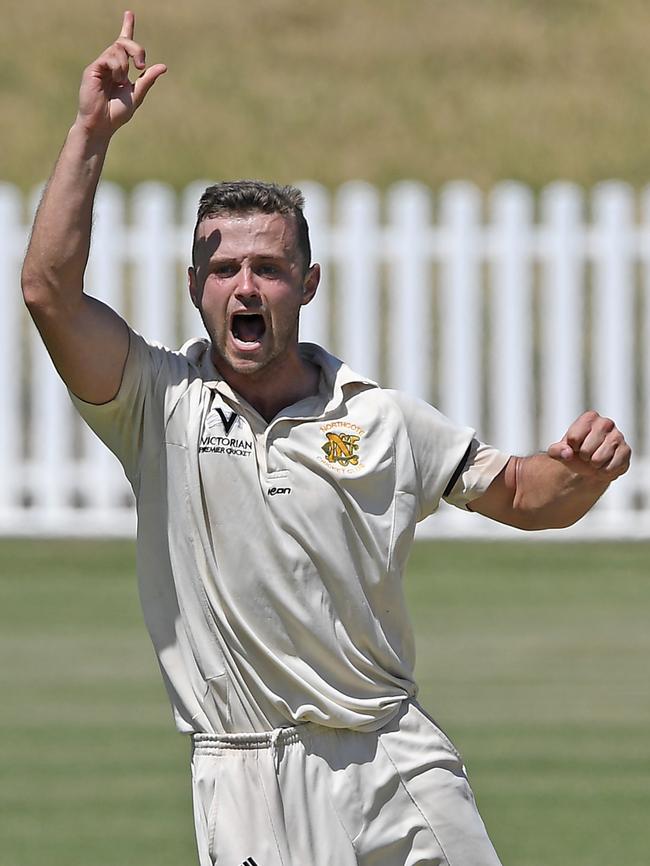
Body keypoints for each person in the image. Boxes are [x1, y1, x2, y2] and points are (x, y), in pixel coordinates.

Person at [22, 12, 631, 866]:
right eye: (223, 267)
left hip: (396, 759)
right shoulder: (157, 403)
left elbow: (528, 495)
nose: (245, 285)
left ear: (306, 284)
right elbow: (49, 290)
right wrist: (92, 131)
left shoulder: (382, 419)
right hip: (248, 779)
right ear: (193, 285)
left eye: (268, 268)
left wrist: (584, 473)